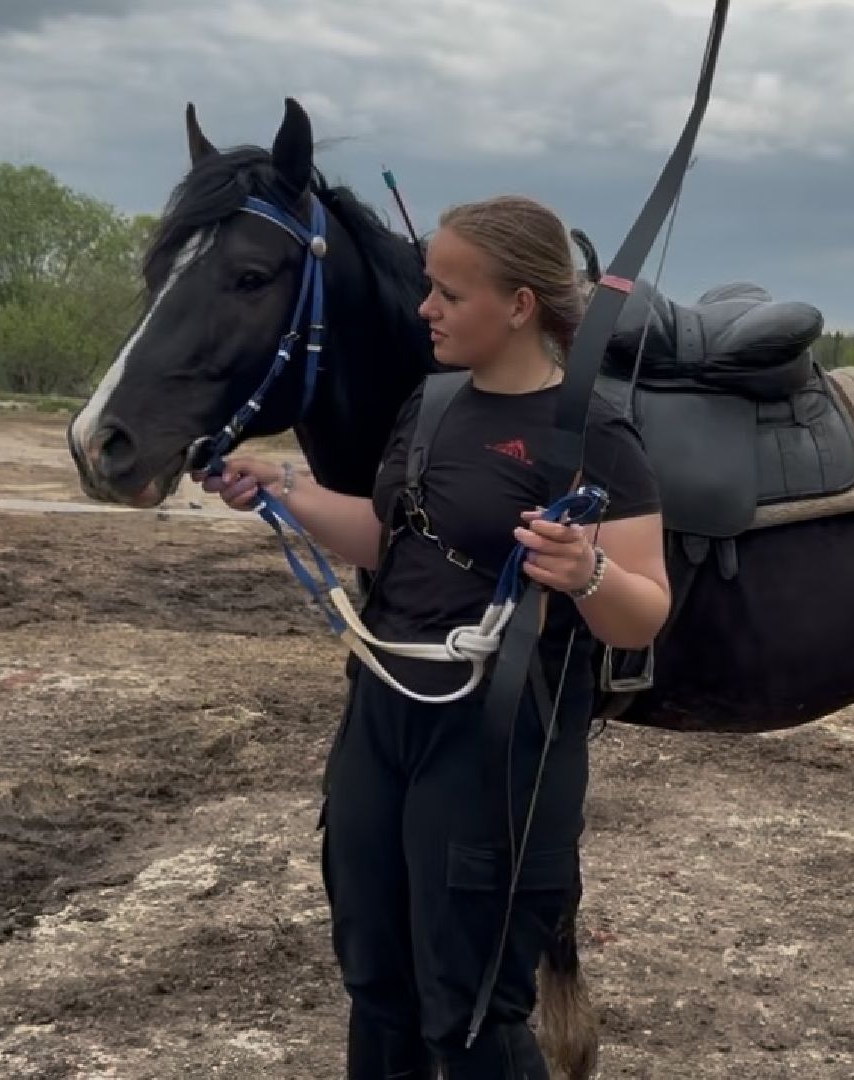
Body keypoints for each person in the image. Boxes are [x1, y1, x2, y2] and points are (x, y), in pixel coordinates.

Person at [199, 194, 669, 1079]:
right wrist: (282, 487)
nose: (426, 309)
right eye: (428, 289)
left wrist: (588, 574)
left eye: (448, 294)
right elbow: (392, 537)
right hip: (382, 716)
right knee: (377, 984)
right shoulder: (431, 402)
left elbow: (644, 609)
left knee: (471, 1006)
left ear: (519, 305)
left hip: (498, 736)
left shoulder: (593, 435)